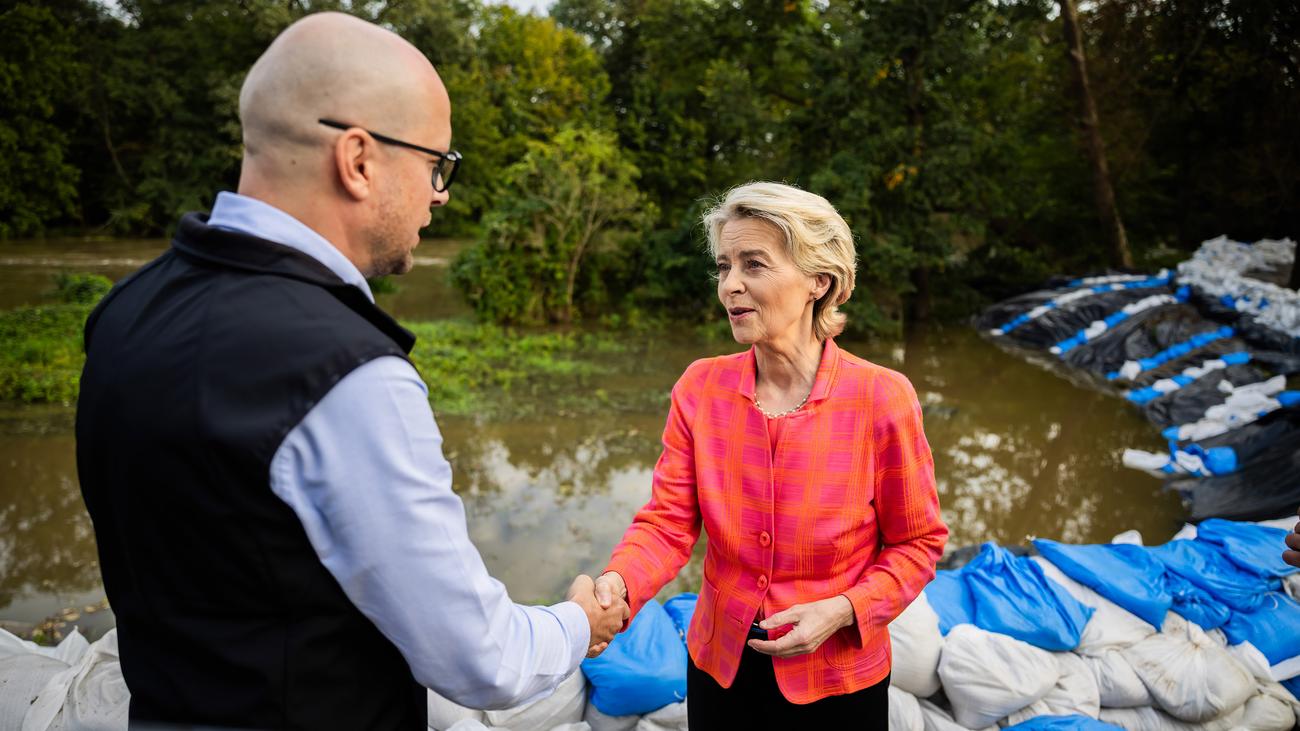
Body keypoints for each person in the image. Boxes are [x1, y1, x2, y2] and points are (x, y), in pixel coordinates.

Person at [74, 13, 625, 730]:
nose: (441, 193)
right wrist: (579, 622)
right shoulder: (345, 372)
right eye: (437, 163)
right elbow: (481, 658)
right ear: (359, 159)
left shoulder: (127, 309)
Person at [591, 182, 949, 726]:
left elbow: (918, 542)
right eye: (723, 266)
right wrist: (616, 584)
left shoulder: (881, 397)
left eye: (753, 265)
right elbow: (667, 525)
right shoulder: (700, 388)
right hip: (720, 666)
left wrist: (843, 611)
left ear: (818, 281)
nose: (730, 285)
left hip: (837, 678)